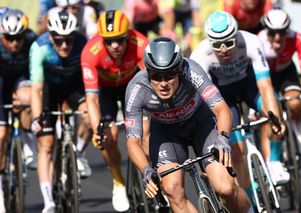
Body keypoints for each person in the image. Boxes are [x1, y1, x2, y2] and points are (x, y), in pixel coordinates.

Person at [125, 37, 252, 213]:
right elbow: (133, 141)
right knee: (172, 191)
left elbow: (222, 110)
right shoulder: (136, 88)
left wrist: (223, 138)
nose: (163, 82)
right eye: (156, 75)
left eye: (169, 74)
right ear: (147, 72)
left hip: (202, 123)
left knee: (226, 188)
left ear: (178, 70)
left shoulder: (191, 70)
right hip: (167, 134)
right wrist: (146, 170)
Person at [190, 11, 287, 201]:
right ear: (210, 42)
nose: (224, 49)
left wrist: (274, 117)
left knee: (274, 108)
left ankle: (274, 160)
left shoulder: (250, 42)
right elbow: (210, 104)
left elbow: (265, 85)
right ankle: (249, 201)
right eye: (218, 45)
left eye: (229, 42)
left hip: (249, 86)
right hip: (222, 96)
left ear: (236, 35)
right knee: (236, 154)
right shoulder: (200, 55)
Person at [81, 9, 149, 212]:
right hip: (106, 92)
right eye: (109, 41)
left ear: (128, 35)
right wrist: (97, 130)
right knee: (107, 136)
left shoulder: (141, 43)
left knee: (146, 131)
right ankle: (118, 180)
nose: (115, 46)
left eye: (119, 40)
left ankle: (149, 171)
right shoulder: (90, 52)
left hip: (133, 86)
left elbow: (153, 85)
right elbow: (92, 99)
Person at [30, 11, 91, 213]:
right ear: (50, 36)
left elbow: (92, 85)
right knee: (46, 143)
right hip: (48, 90)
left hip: (73, 88)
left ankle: (78, 153)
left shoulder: (83, 44)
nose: (64, 45)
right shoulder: (40, 48)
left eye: (68, 40)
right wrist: (38, 118)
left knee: (90, 118)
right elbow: (36, 89)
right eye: (59, 40)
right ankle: (49, 202)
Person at [258, 8, 301, 154]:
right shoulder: (259, 40)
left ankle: (298, 133)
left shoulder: (297, 37)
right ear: (266, 30)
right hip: (265, 76)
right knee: (270, 112)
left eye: (282, 32)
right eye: (272, 32)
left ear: (288, 30)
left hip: (286, 72)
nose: (278, 37)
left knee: (295, 103)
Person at [0, 8, 38, 213]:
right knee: (1, 134)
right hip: (1, 82)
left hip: (20, 78)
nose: (14, 43)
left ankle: (28, 143)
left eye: (18, 38)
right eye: (9, 38)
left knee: (28, 98)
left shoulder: (32, 39)